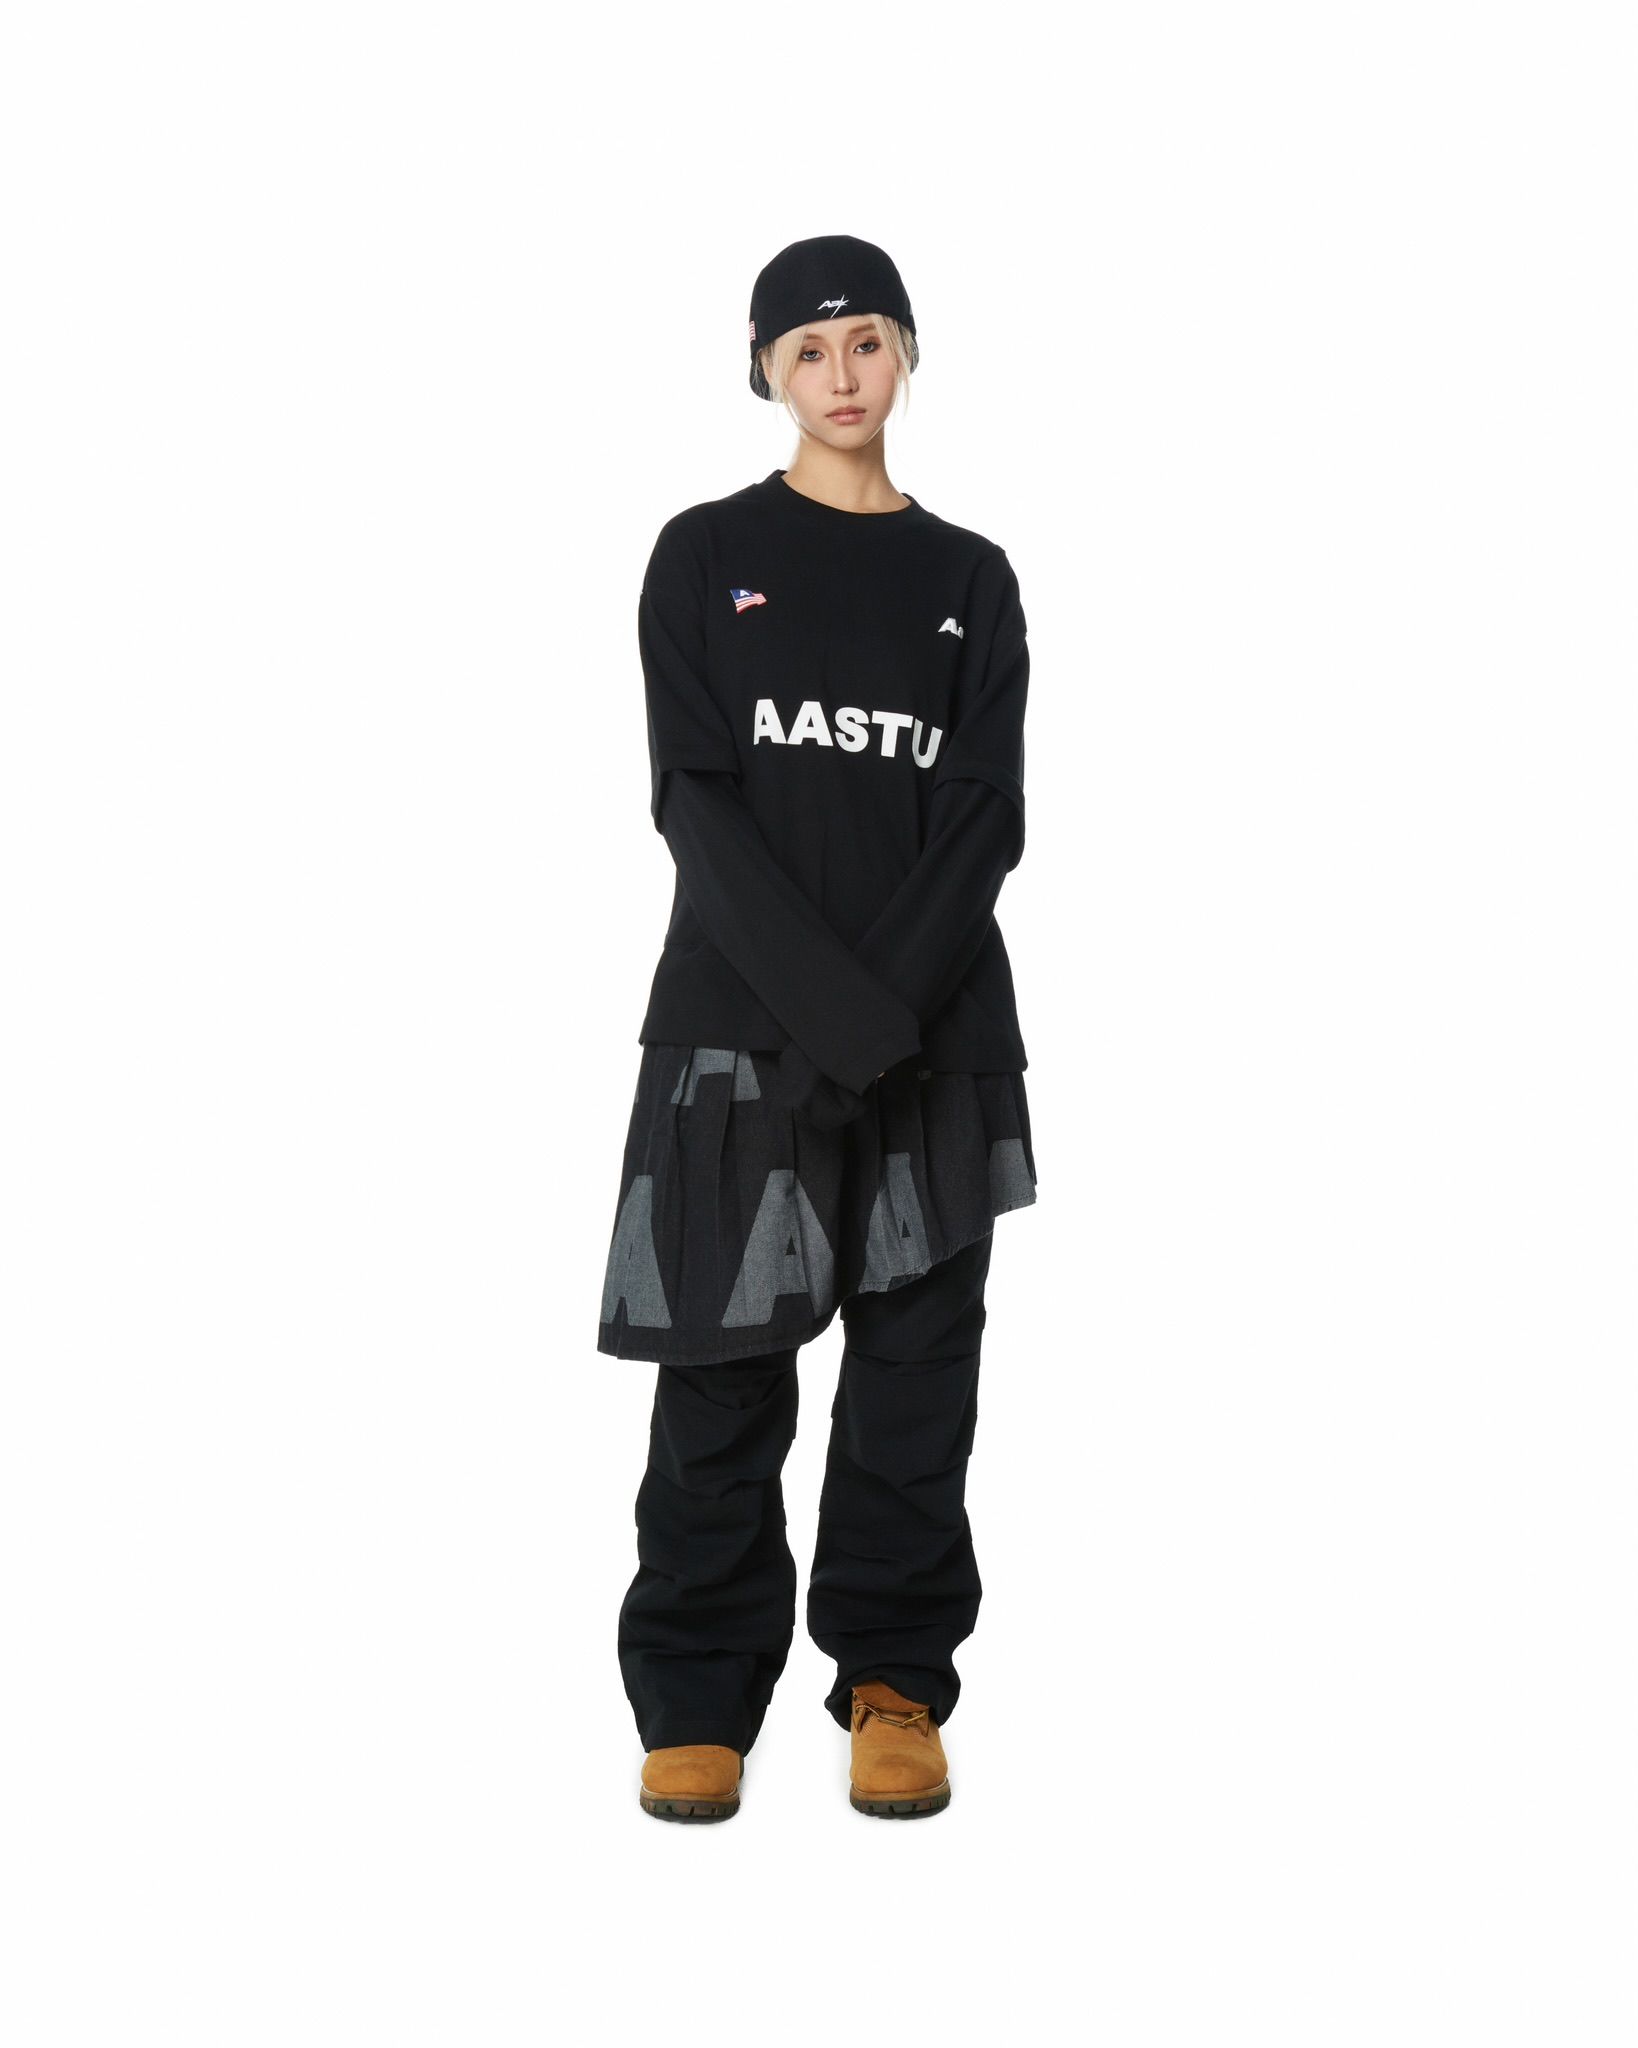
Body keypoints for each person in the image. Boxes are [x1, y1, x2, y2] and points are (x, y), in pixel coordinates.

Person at [598, 234, 1038, 1822]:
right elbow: (693, 801)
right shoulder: (703, 553)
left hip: (937, 1040)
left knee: (916, 1379)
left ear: (904, 354)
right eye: (805, 349)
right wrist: (828, 1018)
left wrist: (878, 1023)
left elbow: (982, 816)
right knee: (719, 1375)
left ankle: (894, 1684)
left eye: (864, 341)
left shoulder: (969, 577)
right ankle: (695, 1699)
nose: (839, 375)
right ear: (765, 371)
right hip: (736, 1036)